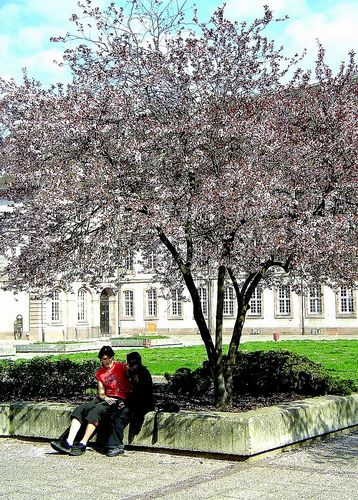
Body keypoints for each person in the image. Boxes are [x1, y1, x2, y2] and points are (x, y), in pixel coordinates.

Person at [50, 345, 131, 456]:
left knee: (96, 411)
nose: (107, 361)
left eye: (109, 358)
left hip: (119, 398)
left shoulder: (121, 367)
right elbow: (101, 393)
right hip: (105, 397)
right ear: (101, 359)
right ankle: (69, 441)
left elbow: (134, 378)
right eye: (104, 359)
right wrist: (105, 398)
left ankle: (83, 443)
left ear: (112, 357)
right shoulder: (100, 373)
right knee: (80, 409)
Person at [106, 351, 154, 457]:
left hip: (142, 404)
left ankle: (116, 446)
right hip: (135, 402)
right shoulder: (135, 372)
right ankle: (113, 443)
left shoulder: (141, 373)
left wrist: (126, 403)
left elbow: (141, 395)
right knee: (114, 414)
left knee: (120, 416)